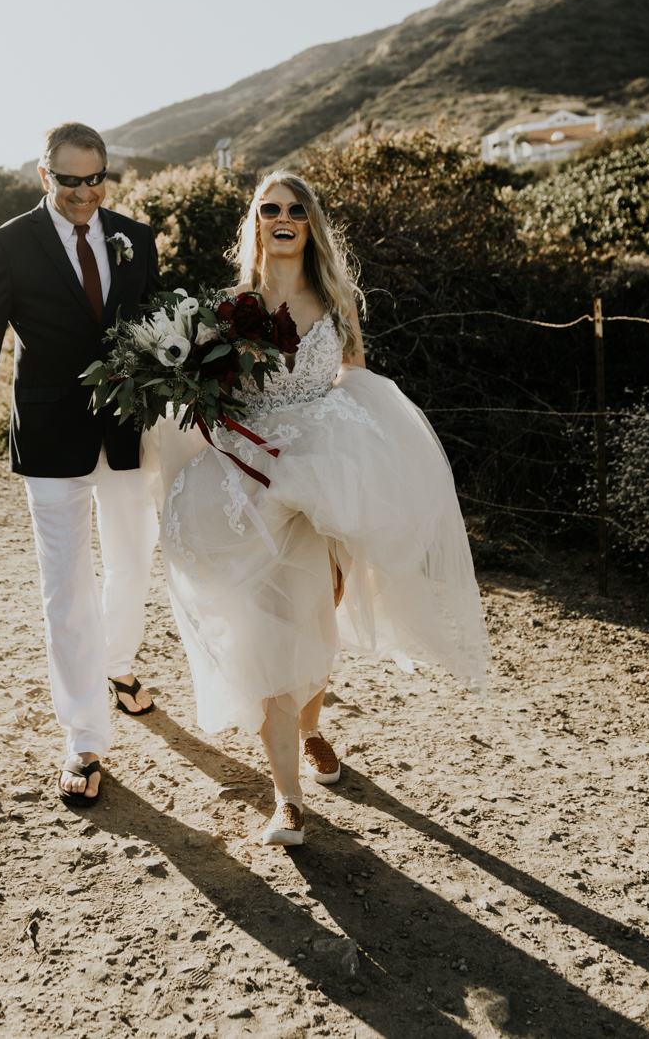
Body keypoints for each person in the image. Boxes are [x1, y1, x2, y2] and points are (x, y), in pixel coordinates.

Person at [151, 172, 488, 846]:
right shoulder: (226, 308)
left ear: (310, 223)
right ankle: (287, 801)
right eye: (269, 208)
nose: (282, 217)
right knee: (271, 630)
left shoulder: (336, 299)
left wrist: (355, 466)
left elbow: (354, 380)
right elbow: (205, 401)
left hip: (323, 481)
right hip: (250, 486)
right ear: (253, 222)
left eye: (295, 210)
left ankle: (310, 730)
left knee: (316, 622)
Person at [0, 122, 162, 806]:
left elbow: (158, 330)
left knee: (133, 561)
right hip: (49, 437)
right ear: (45, 177)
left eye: (96, 179)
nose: (85, 193)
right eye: (70, 180)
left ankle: (117, 668)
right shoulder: (7, 244)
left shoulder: (136, 238)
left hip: (128, 433)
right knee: (66, 587)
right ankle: (85, 737)